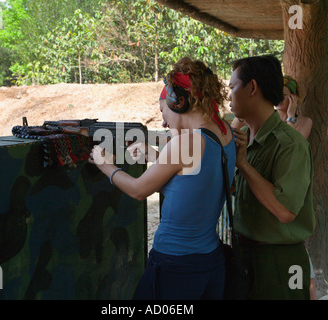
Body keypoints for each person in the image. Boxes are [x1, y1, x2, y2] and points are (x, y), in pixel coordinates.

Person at [88, 57, 236, 300]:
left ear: (178, 102)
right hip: (210, 263)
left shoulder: (186, 143)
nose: (164, 121)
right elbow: (193, 183)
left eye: (163, 110)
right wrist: (155, 155)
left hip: (176, 265)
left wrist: (106, 165)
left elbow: (138, 190)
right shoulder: (224, 132)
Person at [230, 55, 315, 300]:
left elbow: (285, 211)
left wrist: (244, 165)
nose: (229, 96)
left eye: (233, 87)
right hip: (247, 253)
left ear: (253, 88)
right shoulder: (245, 137)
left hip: (280, 260)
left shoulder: (289, 144)